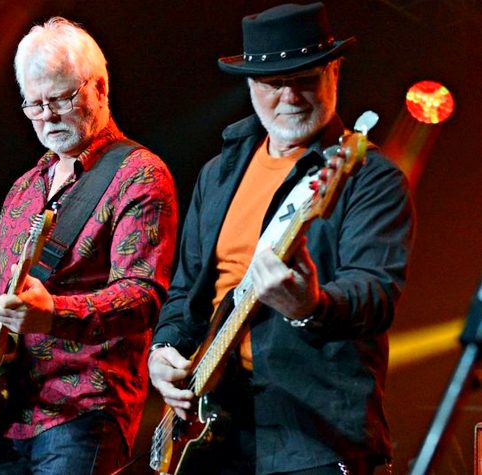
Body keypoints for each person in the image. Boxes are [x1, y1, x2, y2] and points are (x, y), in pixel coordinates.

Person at [148, 3, 415, 475]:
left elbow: (375, 293)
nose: (290, 96)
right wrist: (163, 349)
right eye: (273, 83)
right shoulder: (219, 173)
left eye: (306, 78)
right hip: (214, 431)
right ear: (251, 84)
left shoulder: (368, 176)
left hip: (314, 436)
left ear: (334, 72)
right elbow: (186, 289)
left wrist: (311, 306)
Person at [0, 17, 178, 474]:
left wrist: (52, 313)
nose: (47, 116)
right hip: (6, 412)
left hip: (84, 410)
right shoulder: (26, 186)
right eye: (34, 105)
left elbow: (142, 295)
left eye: (60, 99)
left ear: (100, 88)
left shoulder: (139, 175)